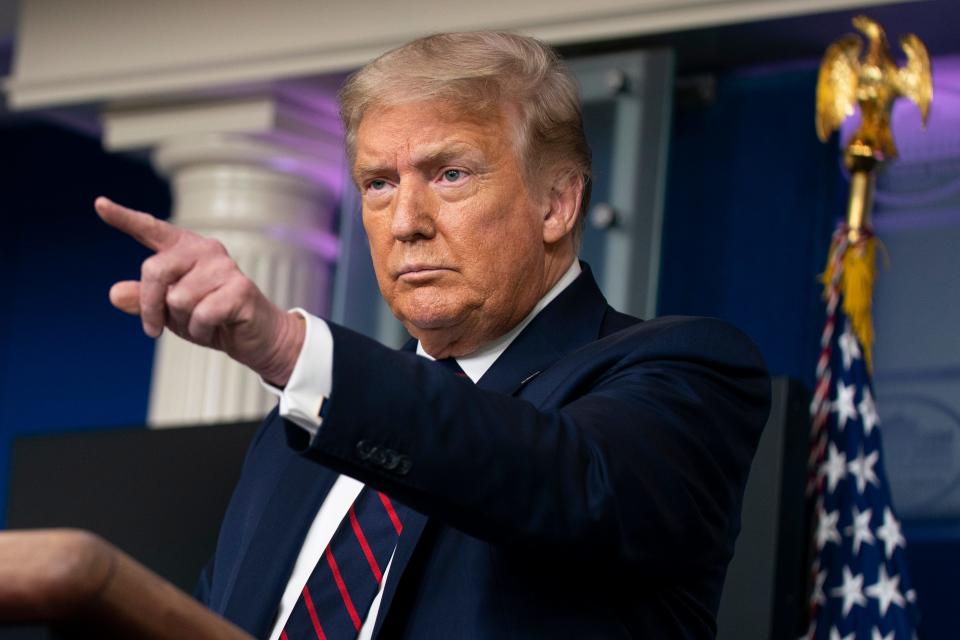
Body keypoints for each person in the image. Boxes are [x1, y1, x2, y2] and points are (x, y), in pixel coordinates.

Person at [97, 31, 770, 639]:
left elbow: (567, 482)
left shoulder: (684, 368)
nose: (405, 222)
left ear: (556, 203)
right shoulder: (294, 434)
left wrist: (288, 349)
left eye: (450, 174)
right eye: (379, 183)